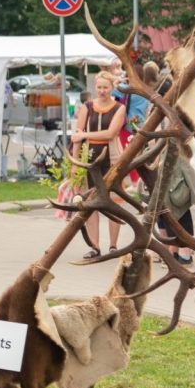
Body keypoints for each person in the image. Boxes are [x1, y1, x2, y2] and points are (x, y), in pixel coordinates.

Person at [71, 70, 127, 259]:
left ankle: (113, 245)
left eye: (106, 87)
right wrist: (75, 164)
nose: (102, 91)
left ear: (112, 88)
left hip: (111, 159)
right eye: (99, 87)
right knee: (90, 202)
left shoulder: (119, 108)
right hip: (89, 160)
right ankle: (95, 246)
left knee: (113, 202)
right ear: (95, 87)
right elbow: (76, 137)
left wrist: (85, 135)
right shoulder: (87, 106)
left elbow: (110, 133)